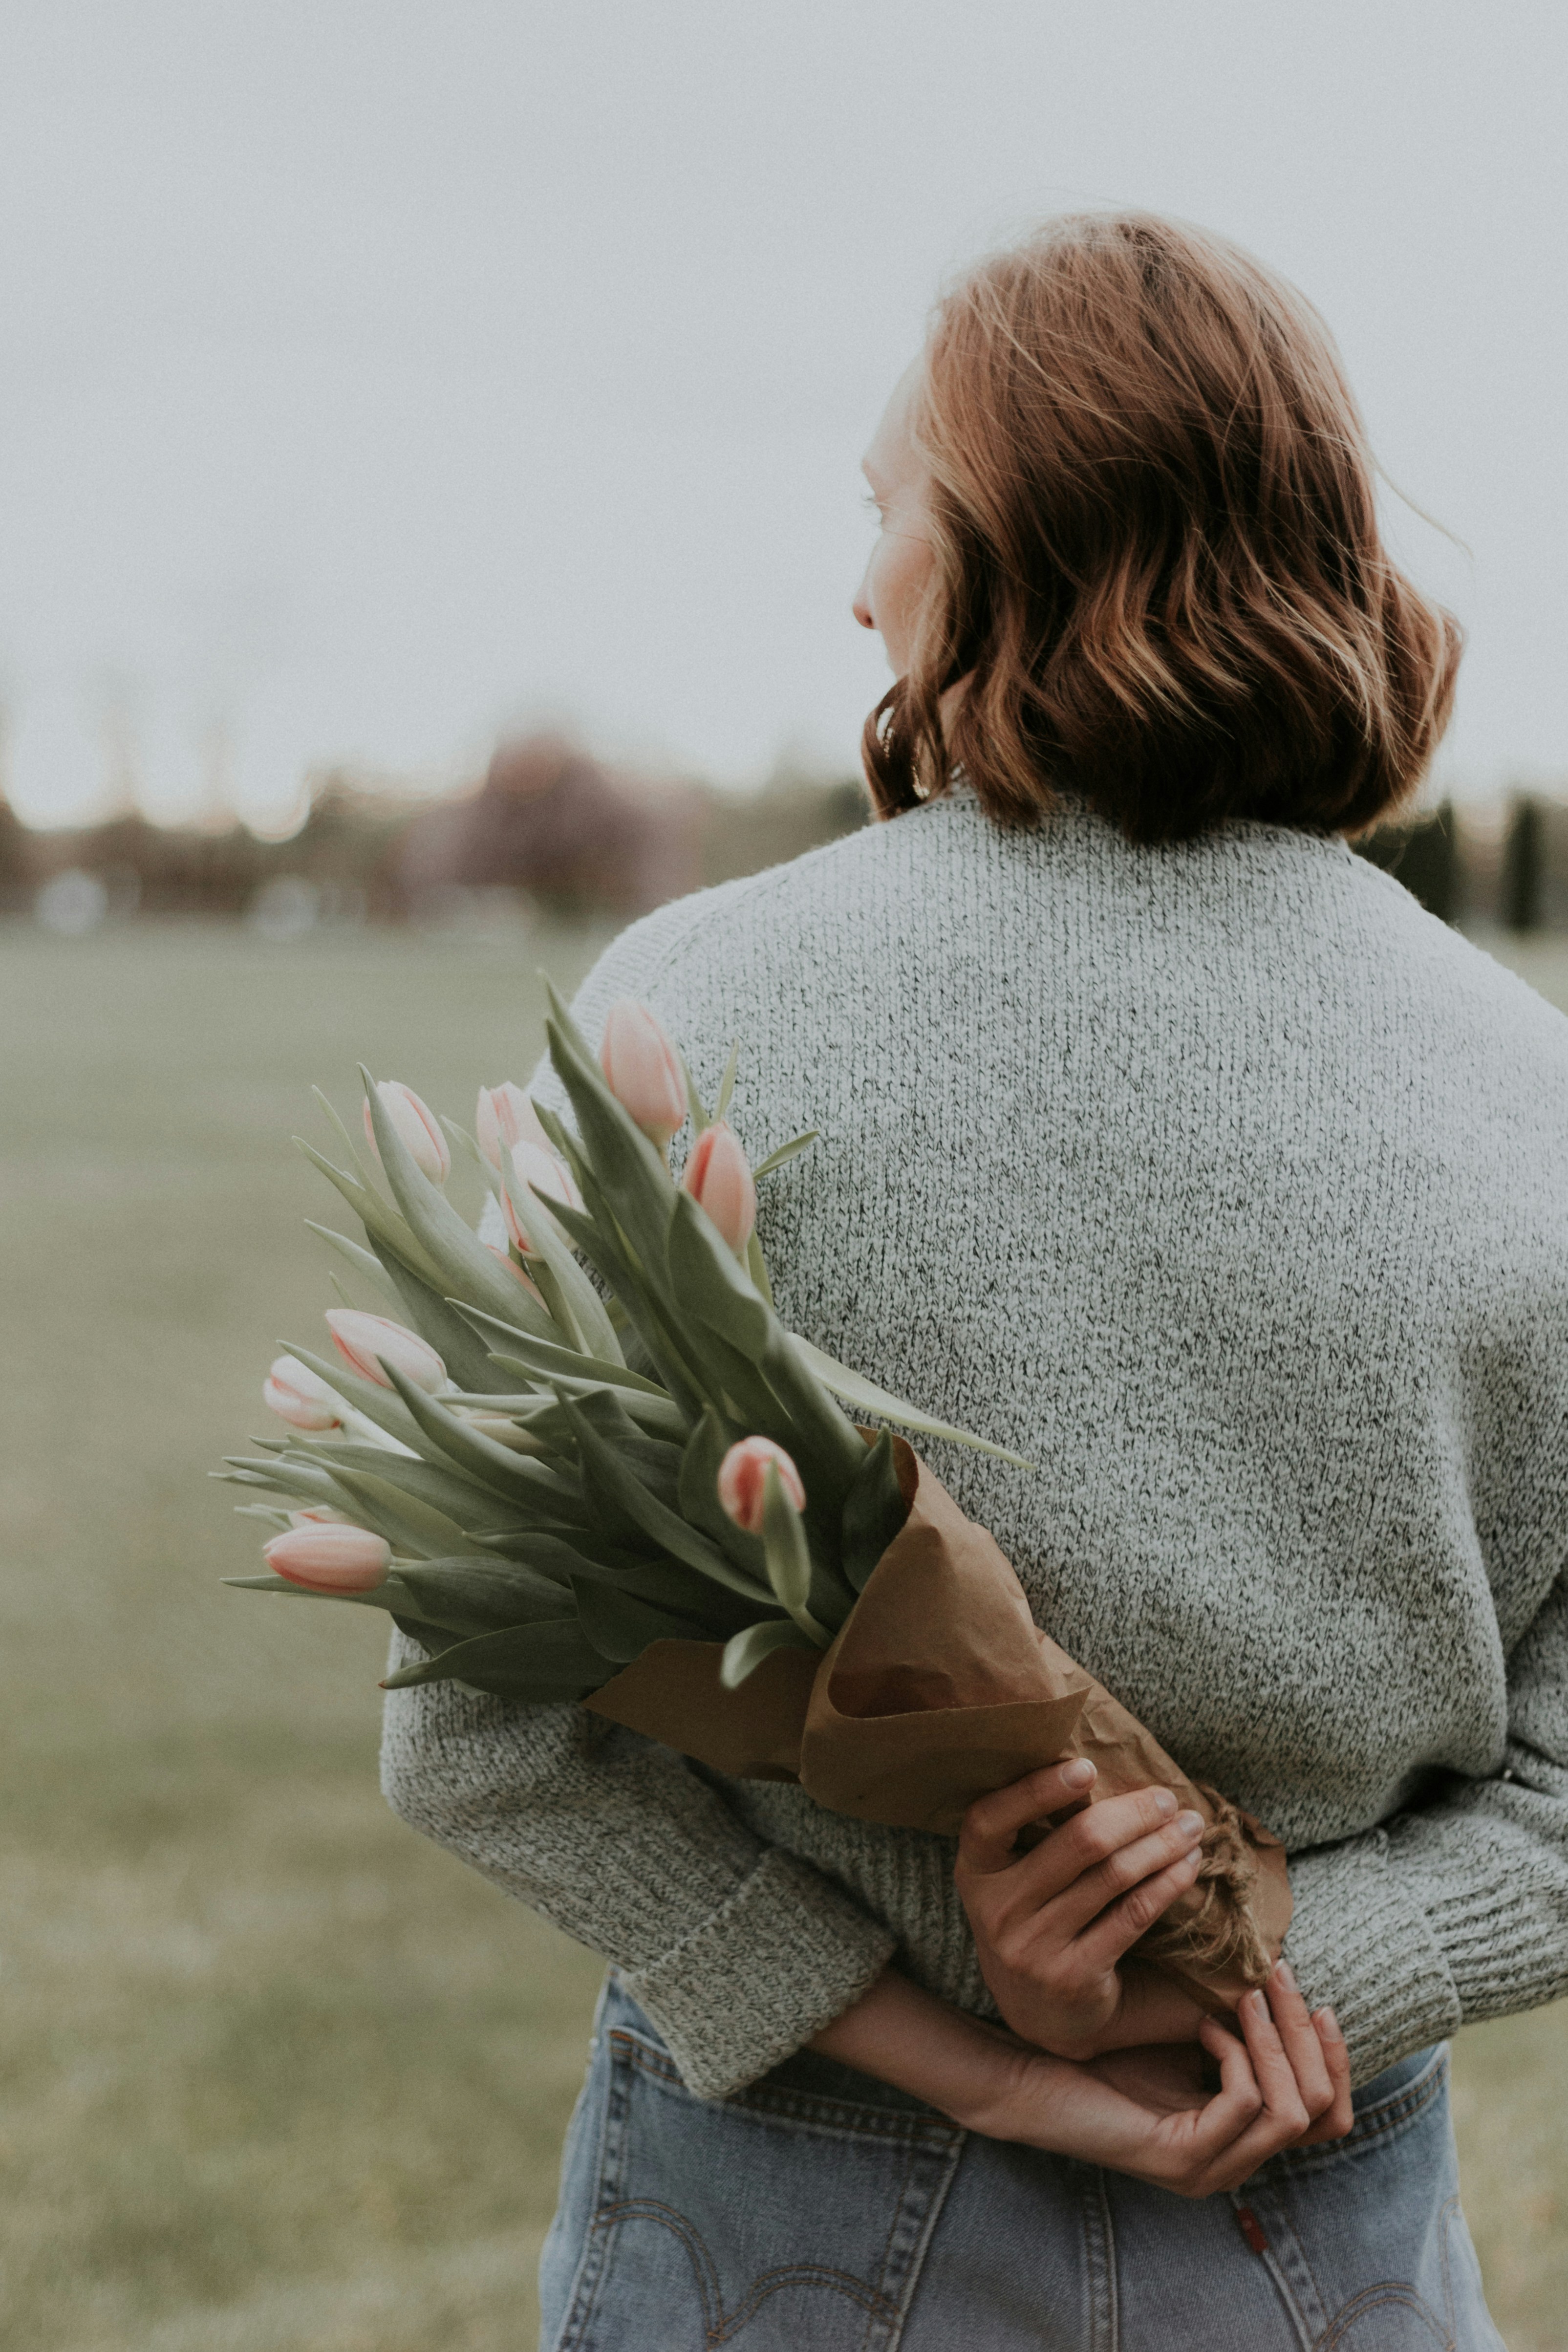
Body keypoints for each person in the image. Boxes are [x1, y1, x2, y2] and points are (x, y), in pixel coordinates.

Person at [381, 213, 1562, 2349]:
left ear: (1007, 530)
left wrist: (991, 2059)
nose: (858, 585)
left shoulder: (694, 1010)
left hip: (777, 2222)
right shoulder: (1539, 1096)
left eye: (885, 505)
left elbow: (472, 1731)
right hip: (1321, 2212)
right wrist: (1271, 1949)